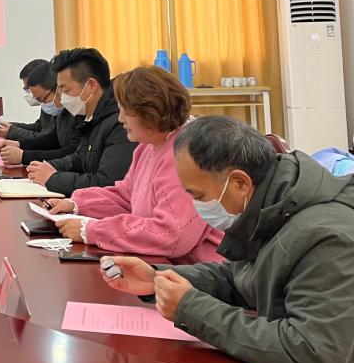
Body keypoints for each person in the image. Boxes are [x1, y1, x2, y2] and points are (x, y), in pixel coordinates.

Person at [103, 116, 354, 363]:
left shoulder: (327, 238)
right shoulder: (273, 205)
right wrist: (157, 278)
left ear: (239, 183)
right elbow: (241, 278)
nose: (196, 206)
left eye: (198, 196)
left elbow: (315, 355)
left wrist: (191, 309)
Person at [45, 67, 223, 264]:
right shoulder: (147, 147)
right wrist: (77, 204)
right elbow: (126, 196)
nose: (120, 118)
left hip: (197, 270)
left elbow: (172, 234)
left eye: (126, 112)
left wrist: (92, 231)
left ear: (151, 112)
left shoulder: (184, 155)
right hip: (163, 264)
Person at [26, 48, 137, 195]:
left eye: (65, 90)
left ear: (91, 85)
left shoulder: (120, 122)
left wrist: (53, 178)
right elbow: (80, 158)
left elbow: (107, 183)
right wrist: (49, 166)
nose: (62, 98)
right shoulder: (91, 114)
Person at [0, 60, 80, 166]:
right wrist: (19, 144)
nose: (41, 103)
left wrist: (24, 156)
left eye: (41, 99)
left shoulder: (77, 110)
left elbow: (73, 153)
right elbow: (52, 139)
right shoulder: (61, 109)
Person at [0, 59, 54, 143]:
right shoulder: (46, 103)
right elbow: (39, 126)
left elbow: (48, 139)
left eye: (28, 87)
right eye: (26, 88)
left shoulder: (55, 104)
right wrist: (11, 126)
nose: (30, 93)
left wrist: (12, 131)